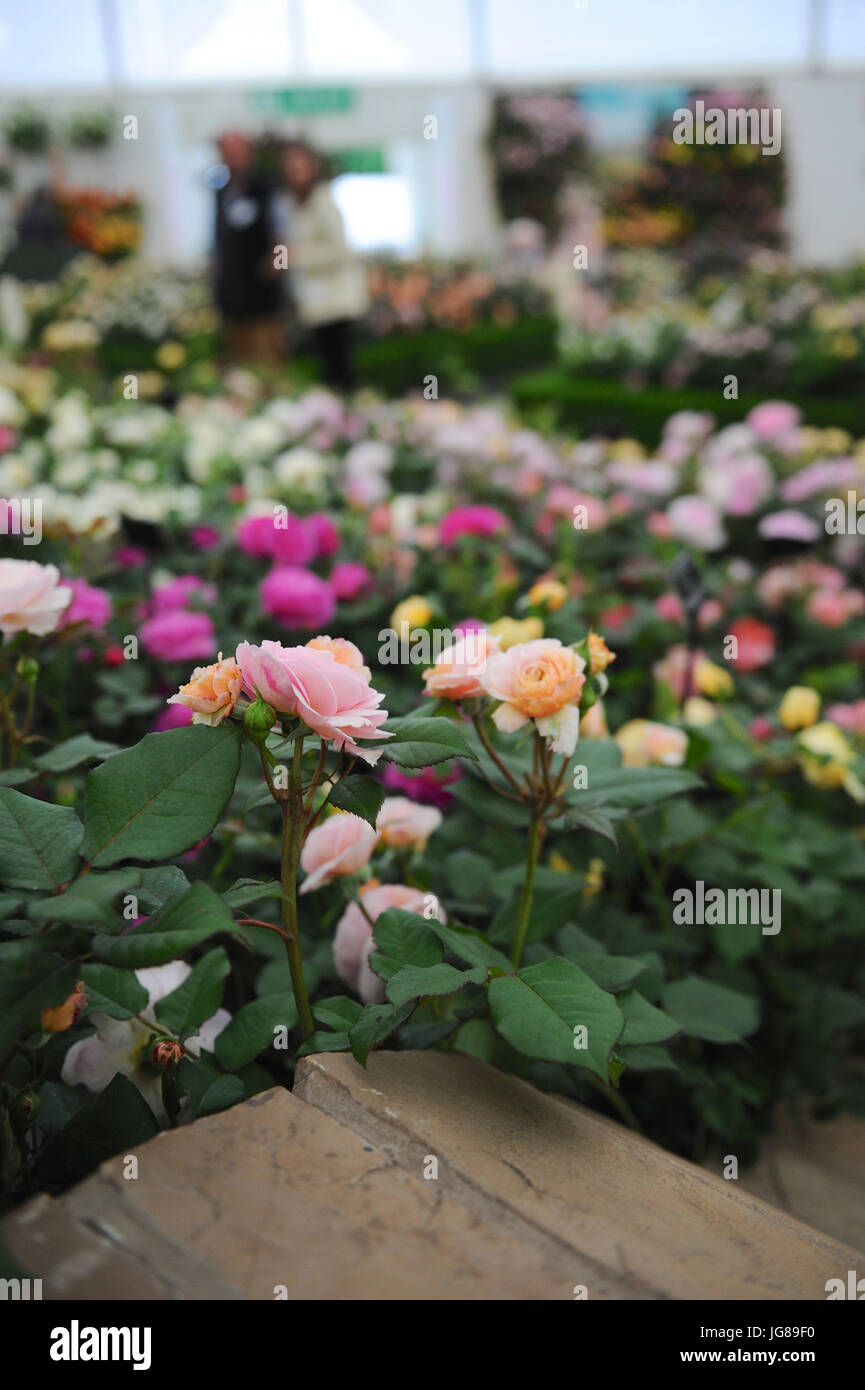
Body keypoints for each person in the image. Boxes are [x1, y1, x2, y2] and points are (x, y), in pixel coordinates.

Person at [279, 140, 368, 392]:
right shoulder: (294, 205)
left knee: (341, 368)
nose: (295, 175)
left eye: (300, 168)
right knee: (327, 367)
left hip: (336, 301)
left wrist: (298, 256)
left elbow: (340, 250)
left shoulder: (324, 202)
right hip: (316, 301)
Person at [212, 131, 283, 363]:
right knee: (237, 348)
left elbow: (283, 228)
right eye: (229, 153)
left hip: (263, 282)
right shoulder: (222, 189)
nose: (234, 158)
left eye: (238, 152)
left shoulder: (266, 185)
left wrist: (278, 263)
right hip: (232, 284)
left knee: (267, 346)